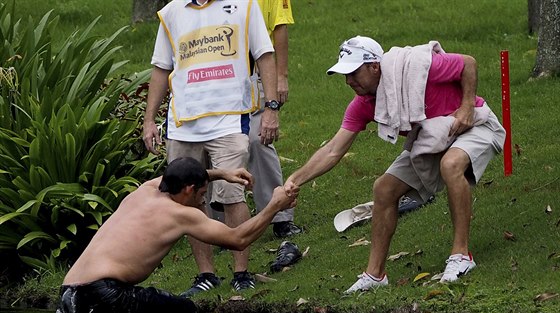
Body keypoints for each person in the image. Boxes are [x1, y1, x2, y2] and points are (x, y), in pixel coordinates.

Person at [284, 36, 506, 293]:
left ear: (374, 67)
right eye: (345, 75)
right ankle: (375, 275)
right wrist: (295, 179)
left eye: (353, 73)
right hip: (431, 139)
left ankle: (461, 257)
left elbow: (468, 63)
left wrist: (467, 106)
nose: (348, 81)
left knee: (451, 164)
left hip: (474, 124)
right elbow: (333, 150)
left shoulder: (419, 67)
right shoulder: (364, 104)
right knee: (384, 188)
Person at [55, 157, 298, 313]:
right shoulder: (180, 214)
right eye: (202, 194)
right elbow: (238, 239)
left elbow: (174, 176)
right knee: (182, 311)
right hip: (104, 293)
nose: (202, 201)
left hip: (69, 292)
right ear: (189, 190)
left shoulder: (145, 190)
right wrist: (274, 205)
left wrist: (222, 174)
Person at [142, 0, 280, 295]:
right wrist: (149, 120)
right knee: (188, 200)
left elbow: (265, 55)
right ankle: (206, 275)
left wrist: (271, 108)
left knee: (233, 194)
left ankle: (241, 272)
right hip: (183, 123)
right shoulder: (171, 11)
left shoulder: (244, 5)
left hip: (229, 119)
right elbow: (161, 68)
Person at [248, 0, 302, 238]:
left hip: (258, 72)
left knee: (259, 140)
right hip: (219, 76)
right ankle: (218, 227)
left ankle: (279, 216)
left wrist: (281, 76)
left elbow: (279, 26)